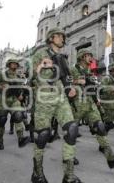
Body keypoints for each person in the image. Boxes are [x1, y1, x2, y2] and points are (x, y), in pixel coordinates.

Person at [31, 28, 82, 183]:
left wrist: (71, 88)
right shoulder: (41, 53)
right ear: (51, 38)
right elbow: (31, 77)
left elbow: (65, 78)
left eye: (63, 36)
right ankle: (37, 172)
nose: (62, 38)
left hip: (61, 98)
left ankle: (69, 176)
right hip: (45, 97)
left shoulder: (62, 58)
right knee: (43, 135)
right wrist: (40, 67)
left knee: (72, 129)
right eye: (59, 36)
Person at [70, 49, 114, 167]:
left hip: (90, 102)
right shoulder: (73, 69)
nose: (91, 58)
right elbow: (64, 81)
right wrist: (76, 81)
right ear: (82, 57)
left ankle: (110, 157)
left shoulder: (89, 71)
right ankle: (69, 156)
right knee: (72, 131)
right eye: (89, 56)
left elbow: (92, 88)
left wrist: (97, 101)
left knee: (100, 127)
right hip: (77, 103)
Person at [0, 59, 30, 150]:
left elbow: (20, 88)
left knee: (18, 116)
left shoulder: (18, 76)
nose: (15, 65)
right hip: (3, 101)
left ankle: (20, 138)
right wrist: (0, 86)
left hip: (14, 100)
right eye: (13, 64)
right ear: (9, 65)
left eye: (16, 64)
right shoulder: (2, 74)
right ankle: (0, 141)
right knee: (2, 121)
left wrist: (20, 95)